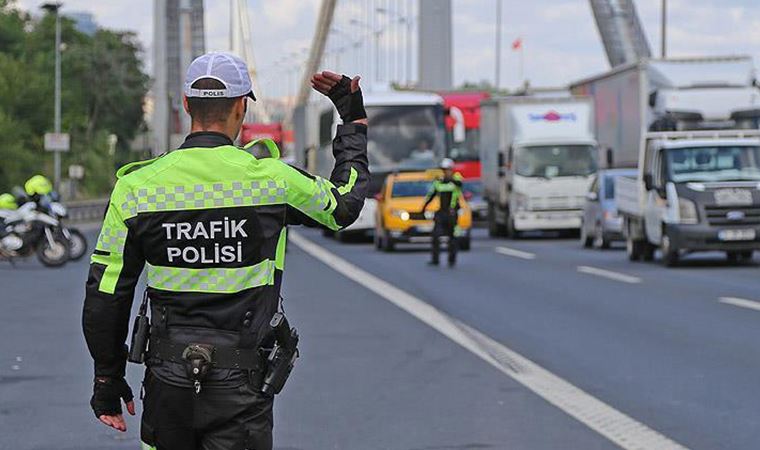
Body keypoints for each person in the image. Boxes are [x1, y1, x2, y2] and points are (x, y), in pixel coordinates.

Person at [82, 52, 369, 450]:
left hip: (167, 382)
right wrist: (351, 121)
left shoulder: (137, 188)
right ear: (241, 106)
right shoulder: (272, 180)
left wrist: (106, 379)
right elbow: (344, 205)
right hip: (242, 385)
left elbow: (106, 294)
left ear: (186, 106)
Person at [421, 158, 463, 267]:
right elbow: (431, 195)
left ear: (451, 170)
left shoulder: (456, 180)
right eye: (444, 170)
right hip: (441, 213)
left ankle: (451, 260)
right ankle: (435, 259)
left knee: (453, 238)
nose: (446, 172)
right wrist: (423, 208)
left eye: (448, 170)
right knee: (435, 236)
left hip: (452, 213)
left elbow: (459, 184)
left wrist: (450, 179)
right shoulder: (438, 182)